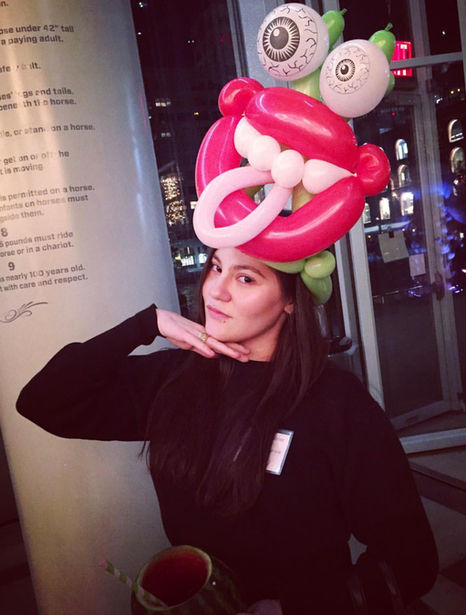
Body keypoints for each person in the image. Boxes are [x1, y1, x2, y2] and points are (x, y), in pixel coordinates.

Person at [16, 246, 438, 614]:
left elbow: (412, 561)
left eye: (246, 277)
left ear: (291, 301)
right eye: (216, 267)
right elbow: (43, 402)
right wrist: (145, 325)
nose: (215, 290)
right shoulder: (175, 378)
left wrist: (296, 608)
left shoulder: (336, 402)